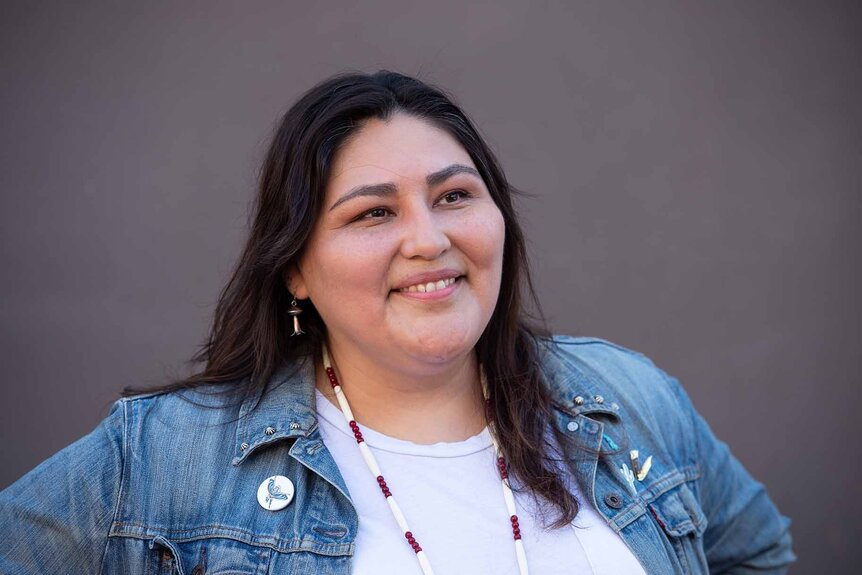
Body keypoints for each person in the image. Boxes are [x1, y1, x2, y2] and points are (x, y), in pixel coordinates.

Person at [0, 70, 794, 575]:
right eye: (373, 212)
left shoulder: (626, 395)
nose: (428, 238)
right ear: (296, 269)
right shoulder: (165, 457)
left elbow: (755, 552)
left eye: (454, 196)